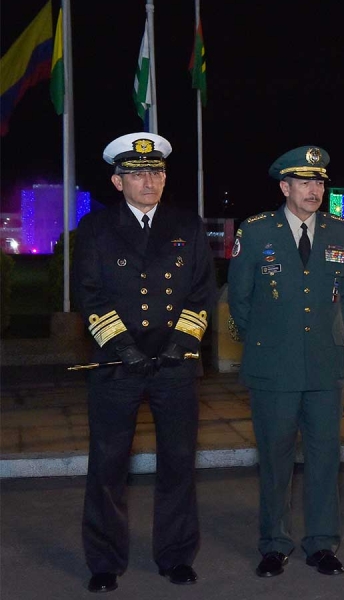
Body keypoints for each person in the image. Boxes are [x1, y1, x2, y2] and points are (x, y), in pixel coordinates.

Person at [73, 132, 216, 592]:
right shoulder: (95, 229)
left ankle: (176, 555)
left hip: (175, 366)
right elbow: (89, 295)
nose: (149, 180)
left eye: (156, 172)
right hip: (118, 366)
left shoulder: (187, 226)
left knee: (177, 462)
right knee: (108, 464)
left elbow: (201, 292)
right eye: (137, 174)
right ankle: (104, 561)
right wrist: (123, 348)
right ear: (118, 182)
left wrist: (180, 342)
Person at [227, 146, 344, 578]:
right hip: (273, 367)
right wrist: (268, 342)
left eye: (319, 182)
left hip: (325, 367)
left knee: (324, 458)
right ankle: (274, 543)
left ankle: (322, 543)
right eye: (304, 182)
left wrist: (330, 339)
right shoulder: (257, 230)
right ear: (285, 187)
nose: (314, 189)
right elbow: (240, 300)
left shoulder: (341, 232)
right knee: (275, 458)